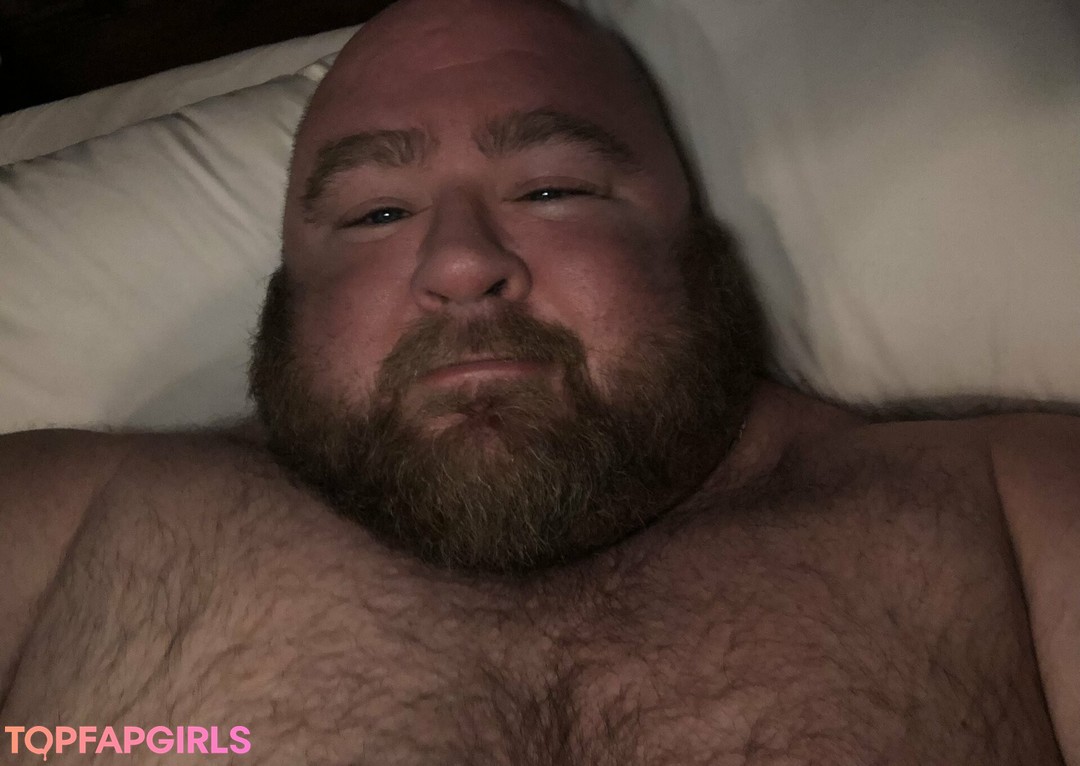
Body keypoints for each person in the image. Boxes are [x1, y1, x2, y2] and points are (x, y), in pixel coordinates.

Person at [0, 0, 1076, 762]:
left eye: (553, 189)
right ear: (286, 293)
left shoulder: (1016, 509)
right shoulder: (52, 517)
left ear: (697, 245)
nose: (461, 263)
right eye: (378, 212)